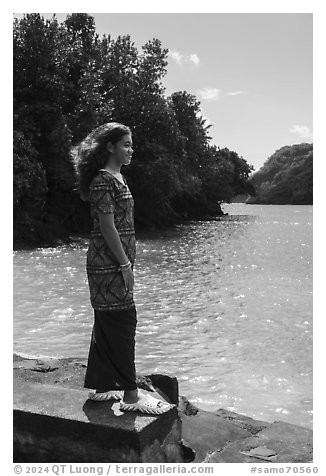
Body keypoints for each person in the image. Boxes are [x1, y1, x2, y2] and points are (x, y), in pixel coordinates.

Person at [72, 122, 173, 414]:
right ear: (110, 147)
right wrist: (124, 264)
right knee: (123, 323)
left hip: (114, 263)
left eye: (131, 144)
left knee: (107, 323)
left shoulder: (118, 177)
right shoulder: (104, 180)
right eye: (126, 144)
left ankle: (103, 386)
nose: (131, 149)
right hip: (109, 265)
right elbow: (107, 226)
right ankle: (130, 395)